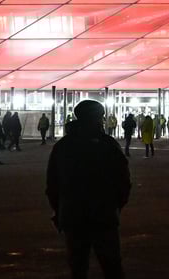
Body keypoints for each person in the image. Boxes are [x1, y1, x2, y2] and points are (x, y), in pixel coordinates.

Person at [46, 100, 130, 279]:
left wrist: (59, 210)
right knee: (111, 265)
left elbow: (52, 185)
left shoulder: (63, 146)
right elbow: (123, 181)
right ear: (98, 118)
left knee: (78, 266)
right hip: (103, 214)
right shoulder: (107, 144)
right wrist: (115, 206)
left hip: (72, 214)